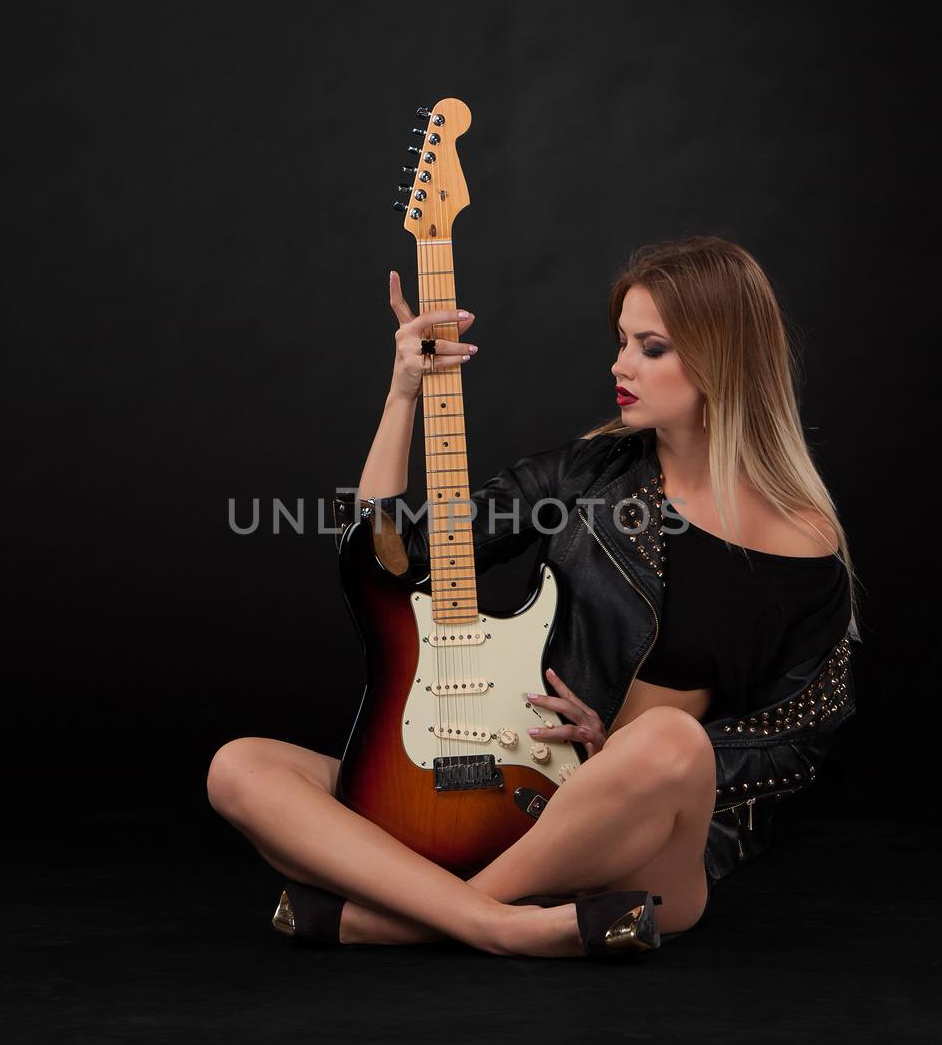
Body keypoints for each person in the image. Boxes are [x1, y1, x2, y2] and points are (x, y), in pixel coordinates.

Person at [206, 235, 862, 959]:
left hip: (636, 839)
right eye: (621, 342)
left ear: (723, 358)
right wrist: (403, 394)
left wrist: (615, 750)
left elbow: (794, 742)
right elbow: (402, 560)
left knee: (668, 741)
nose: (620, 365)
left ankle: (412, 910)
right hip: (501, 775)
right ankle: (498, 922)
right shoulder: (586, 474)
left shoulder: (804, 544)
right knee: (240, 767)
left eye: (651, 347)